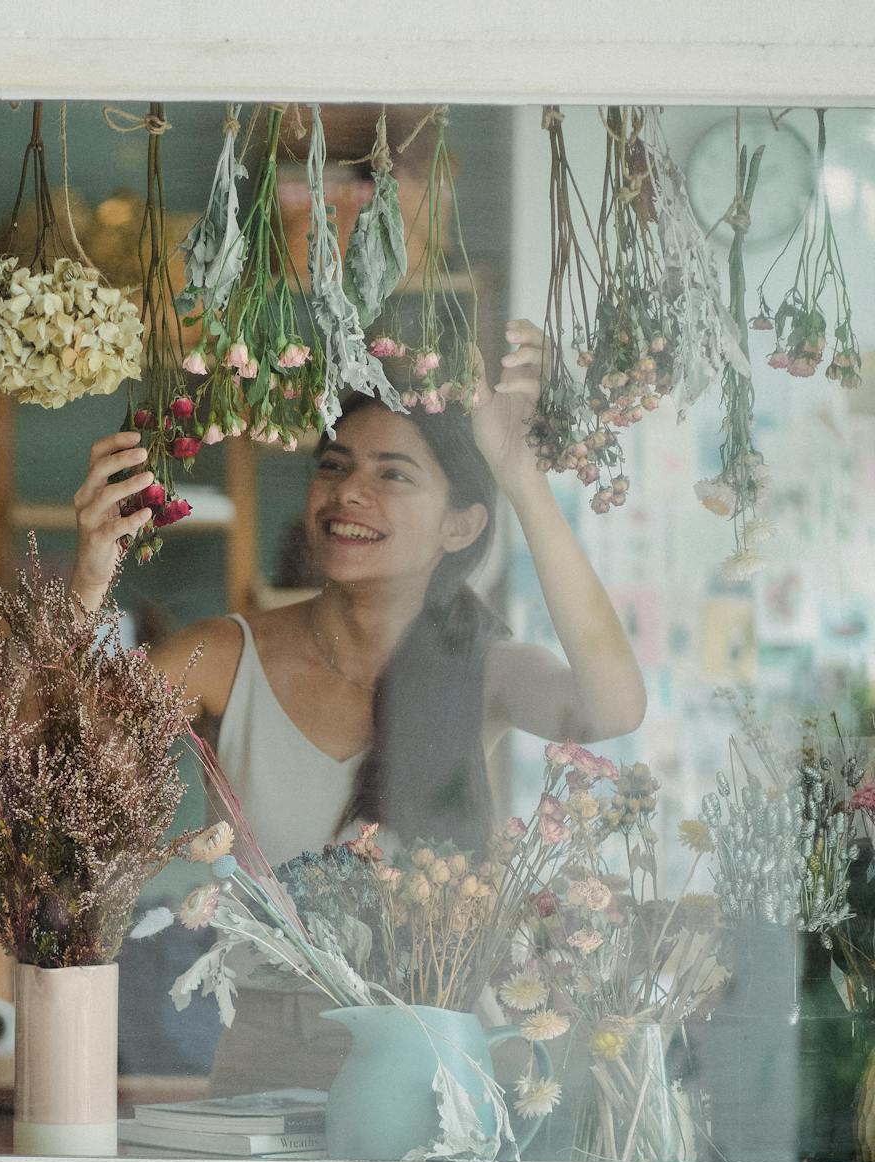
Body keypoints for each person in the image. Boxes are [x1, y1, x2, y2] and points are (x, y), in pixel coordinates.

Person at [70, 320, 646, 1093]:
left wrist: (522, 478)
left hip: (433, 1055)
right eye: (333, 466)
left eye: (393, 475)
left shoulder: (486, 671)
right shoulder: (223, 655)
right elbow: (58, 747)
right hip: (264, 1057)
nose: (348, 493)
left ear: (461, 525)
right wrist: (90, 574)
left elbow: (611, 707)